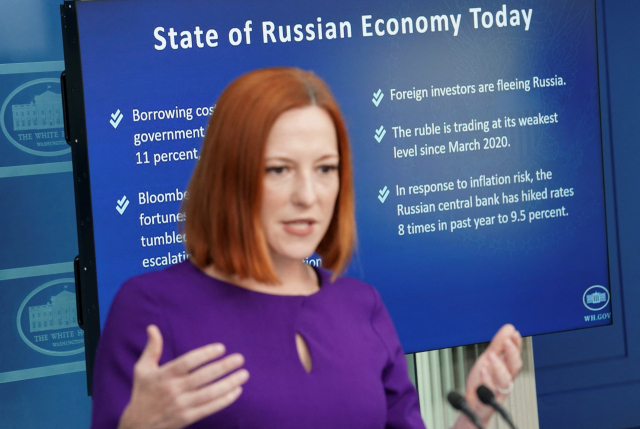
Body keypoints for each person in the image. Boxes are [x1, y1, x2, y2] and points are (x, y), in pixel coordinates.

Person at [91, 67, 523, 429]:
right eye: (279, 169)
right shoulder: (151, 309)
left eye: (325, 169)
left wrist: (474, 410)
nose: (307, 195)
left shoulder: (360, 305)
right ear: (229, 176)